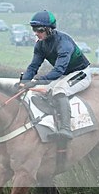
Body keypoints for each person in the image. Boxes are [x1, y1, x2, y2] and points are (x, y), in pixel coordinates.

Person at [17, 10, 92, 140]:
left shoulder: (64, 43)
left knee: (59, 90)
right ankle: (49, 124)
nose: (36, 33)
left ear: (49, 29)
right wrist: (24, 82)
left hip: (80, 73)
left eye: (39, 30)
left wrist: (37, 80)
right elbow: (34, 66)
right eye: (34, 29)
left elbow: (58, 70)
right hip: (64, 75)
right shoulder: (40, 45)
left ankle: (66, 129)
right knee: (37, 92)